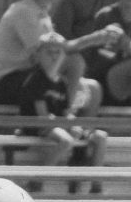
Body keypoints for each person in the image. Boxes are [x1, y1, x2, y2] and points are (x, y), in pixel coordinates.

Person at [19, 31, 107, 175]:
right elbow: (43, 117)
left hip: (57, 125)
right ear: (39, 54)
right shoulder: (35, 80)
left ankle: (96, 186)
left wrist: (74, 125)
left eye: (58, 52)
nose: (54, 56)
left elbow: (66, 112)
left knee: (100, 137)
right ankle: (37, 180)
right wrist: (67, 125)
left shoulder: (61, 82)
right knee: (66, 141)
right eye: (49, 52)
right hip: (38, 126)